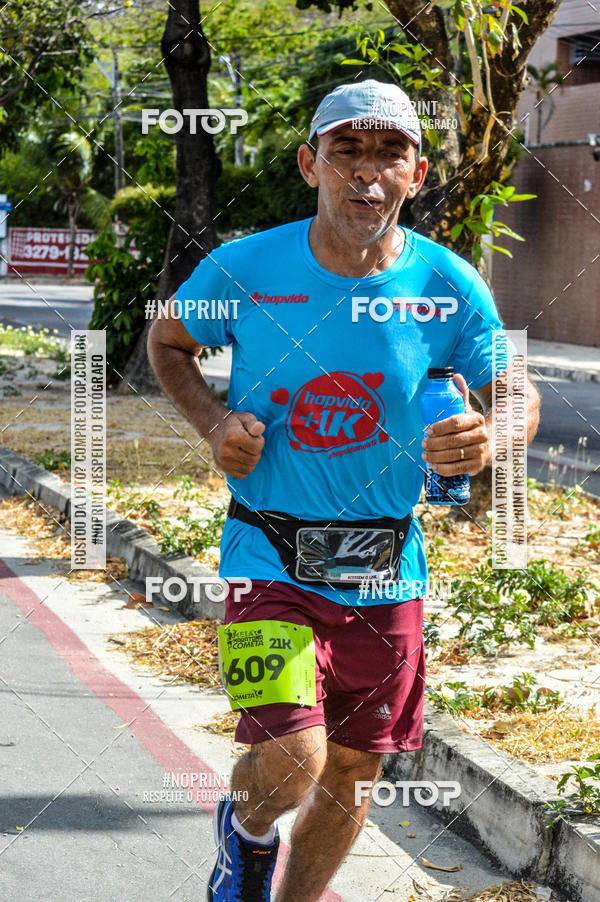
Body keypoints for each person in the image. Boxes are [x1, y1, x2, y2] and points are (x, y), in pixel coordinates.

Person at [147, 78, 540, 902]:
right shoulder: (247, 267)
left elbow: (515, 390)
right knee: (296, 760)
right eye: (346, 150)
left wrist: (491, 438)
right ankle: (248, 832)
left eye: (390, 153)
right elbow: (169, 341)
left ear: (417, 174)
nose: (367, 171)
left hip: (386, 569)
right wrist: (213, 423)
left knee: (355, 770)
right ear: (310, 164)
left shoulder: (447, 283)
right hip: (269, 552)